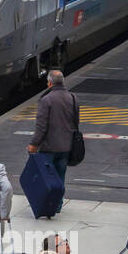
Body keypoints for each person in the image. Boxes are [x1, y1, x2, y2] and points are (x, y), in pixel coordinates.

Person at [27, 70, 78, 216]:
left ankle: (46, 204)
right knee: (60, 177)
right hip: (66, 146)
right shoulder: (73, 98)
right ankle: (58, 205)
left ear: (49, 83)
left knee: (47, 177)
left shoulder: (46, 100)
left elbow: (41, 127)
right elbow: (76, 122)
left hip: (49, 147)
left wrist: (34, 144)